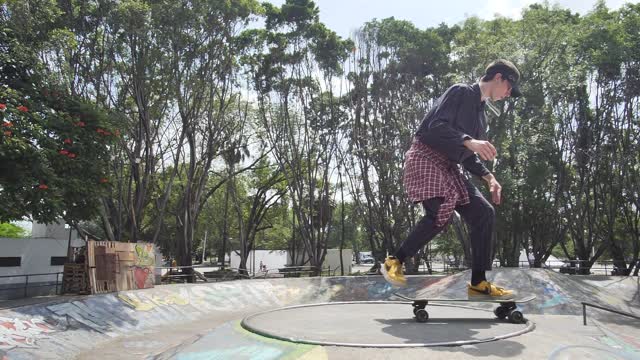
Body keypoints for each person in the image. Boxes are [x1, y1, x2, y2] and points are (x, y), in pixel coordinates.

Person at [381, 59, 522, 298]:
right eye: (509, 88)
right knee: (439, 213)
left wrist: (489, 177)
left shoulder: (480, 117)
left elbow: (466, 156)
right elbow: (434, 126)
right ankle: (394, 261)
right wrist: (469, 141)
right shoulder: (460, 91)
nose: (508, 94)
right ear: (499, 78)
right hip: (425, 156)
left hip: (448, 166)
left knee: (484, 213)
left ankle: (478, 283)